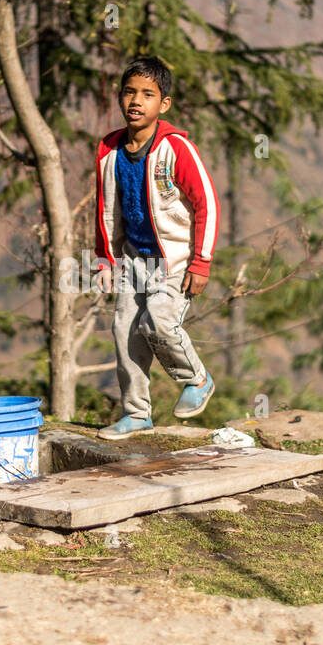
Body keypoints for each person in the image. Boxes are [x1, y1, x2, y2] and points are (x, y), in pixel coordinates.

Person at [93, 56, 218, 440]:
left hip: (176, 260)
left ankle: (197, 379)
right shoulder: (109, 151)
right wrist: (105, 260)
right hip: (133, 259)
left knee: (157, 321)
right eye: (129, 92)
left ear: (163, 104)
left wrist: (201, 262)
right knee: (125, 331)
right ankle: (136, 413)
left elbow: (207, 204)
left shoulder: (175, 149)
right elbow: (106, 211)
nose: (136, 101)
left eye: (148, 94)